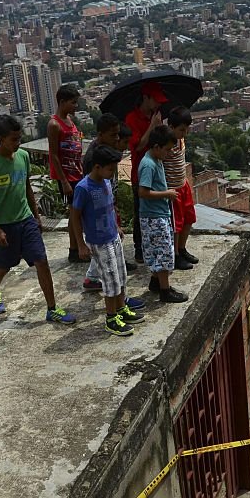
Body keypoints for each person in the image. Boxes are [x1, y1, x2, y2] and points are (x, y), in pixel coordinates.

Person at [0, 114, 76, 324]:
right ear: (1, 138)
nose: (17, 143)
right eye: (13, 139)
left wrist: (36, 215)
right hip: (4, 225)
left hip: (26, 221)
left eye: (19, 138)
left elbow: (27, 188)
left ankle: (52, 308)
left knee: (41, 262)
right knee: (4, 265)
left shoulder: (23, 157)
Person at [70, 145, 146, 337]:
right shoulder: (83, 188)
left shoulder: (105, 182)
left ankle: (121, 309)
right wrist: (81, 244)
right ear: (97, 167)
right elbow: (75, 216)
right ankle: (111, 319)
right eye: (110, 169)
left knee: (120, 275)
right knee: (110, 280)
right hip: (99, 241)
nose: (112, 173)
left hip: (112, 237)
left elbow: (109, 207)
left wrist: (117, 227)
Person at [82, 113, 140, 287]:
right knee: (103, 246)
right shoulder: (94, 158)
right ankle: (95, 278)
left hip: (108, 205)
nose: (117, 138)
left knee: (114, 240)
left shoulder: (108, 152)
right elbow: (91, 191)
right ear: (101, 135)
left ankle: (101, 273)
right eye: (113, 135)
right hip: (99, 212)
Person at [138, 125, 188, 304]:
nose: (168, 154)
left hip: (159, 213)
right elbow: (143, 192)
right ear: (156, 147)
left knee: (156, 251)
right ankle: (165, 290)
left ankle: (155, 282)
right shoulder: (148, 165)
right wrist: (167, 193)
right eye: (166, 150)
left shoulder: (156, 161)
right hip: (154, 216)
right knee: (164, 252)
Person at [126, 81, 168, 265]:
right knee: (140, 211)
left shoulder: (156, 115)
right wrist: (152, 126)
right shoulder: (132, 119)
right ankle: (139, 249)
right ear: (146, 98)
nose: (158, 104)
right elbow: (138, 146)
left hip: (157, 168)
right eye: (155, 100)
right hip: (140, 171)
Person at [46, 84, 85, 263]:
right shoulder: (54, 124)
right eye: (72, 102)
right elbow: (53, 154)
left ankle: (75, 247)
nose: (75, 106)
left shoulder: (70, 120)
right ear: (62, 102)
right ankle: (76, 248)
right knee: (75, 213)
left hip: (77, 172)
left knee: (77, 212)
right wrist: (64, 181)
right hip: (67, 176)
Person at [165, 106, 199, 270]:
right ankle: (175, 255)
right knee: (176, 224)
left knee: (189, 219)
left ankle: (182, 248)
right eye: (181, 130)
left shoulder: (180, 140)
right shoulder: (166, 144)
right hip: (172, 189)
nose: (184, 133)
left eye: (186, 129)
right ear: (171, 127)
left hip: (183, 184)